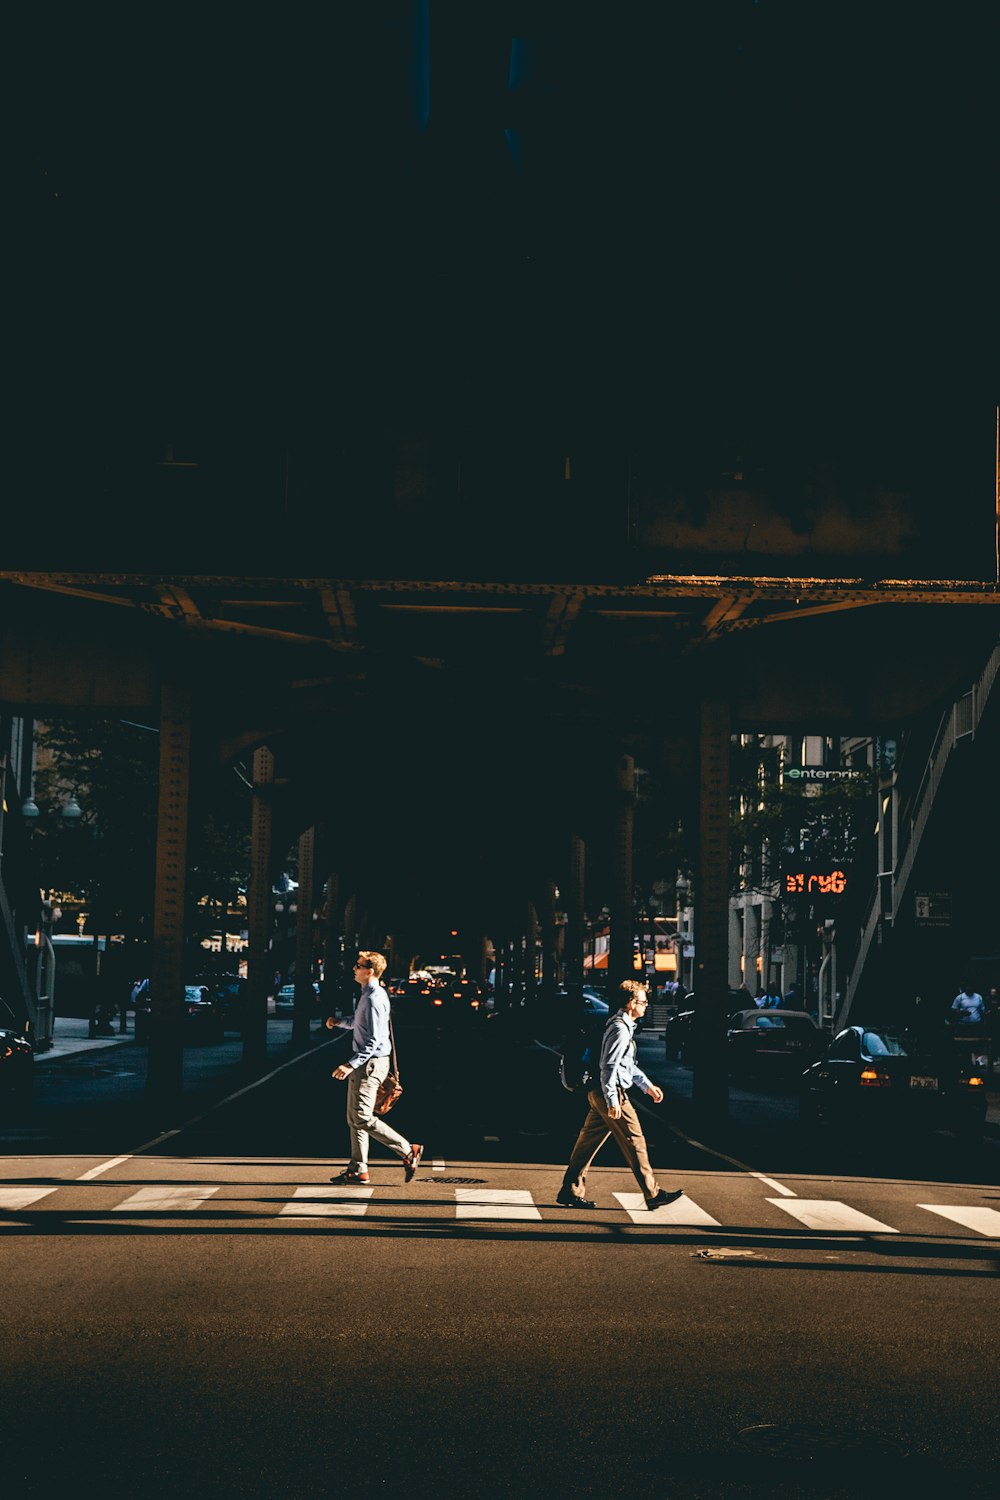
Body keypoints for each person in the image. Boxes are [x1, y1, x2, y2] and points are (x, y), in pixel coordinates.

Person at [557, 979, 683, 1211]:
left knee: (587, 1143)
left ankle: (570, 1190)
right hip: (610, 1093)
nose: (646, 1006)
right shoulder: (619, 1029)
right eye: (643, 1002)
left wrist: (647, 1086)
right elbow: (609, 1066)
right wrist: (613, 1100)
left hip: (601, 1093)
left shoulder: (621, 1026)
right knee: (636, 1141)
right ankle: (653, 1193)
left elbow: (626, 1066)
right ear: (630, 1003)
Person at [326, 950, 423, 1186]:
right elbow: (361, 1025)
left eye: (358, 965)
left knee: (360, 1116)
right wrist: (339, 1022)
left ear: (369, 971)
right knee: (355, 1118)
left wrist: (351, 1064)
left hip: (369, 1064)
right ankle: (358, 1169)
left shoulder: (372, 999)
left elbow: (374, 1040)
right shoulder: (368, 995)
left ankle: (407, 1149)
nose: (354, 969)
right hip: (369, 1063)